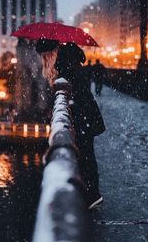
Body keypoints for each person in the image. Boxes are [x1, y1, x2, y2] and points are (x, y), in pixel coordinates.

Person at [35, 39, 106, 209]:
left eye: (44, 56)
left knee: (86, 154)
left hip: (83, 114)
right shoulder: (69, 58)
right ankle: (90, 193)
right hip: (85, 112)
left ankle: (92, 195)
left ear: (50, 53)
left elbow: (73, 87)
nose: (43, 60)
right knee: (85, 153)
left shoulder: (64, 62)